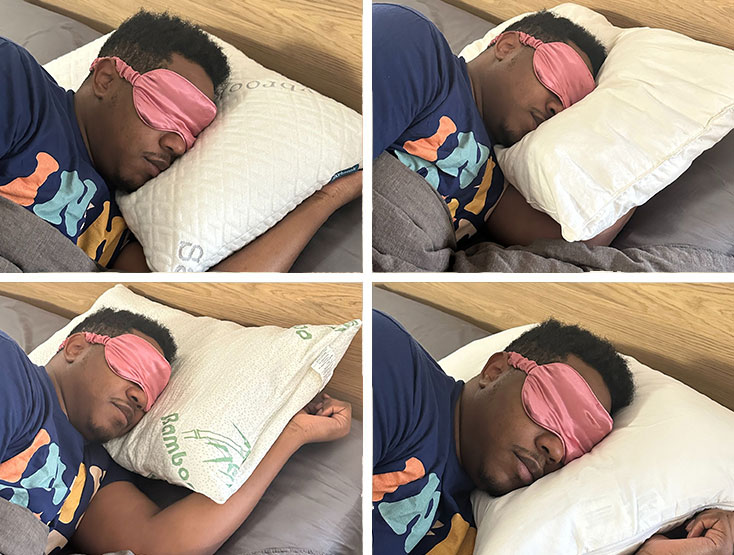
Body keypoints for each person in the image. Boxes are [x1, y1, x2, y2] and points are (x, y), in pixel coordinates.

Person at [0, 10, 361, 272]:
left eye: (194, 131)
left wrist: (328, 197)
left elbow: (212, 296)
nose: (178, 144)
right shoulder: (20, 85)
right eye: (168, 107)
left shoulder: (129, 226)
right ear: (106, 78)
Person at [373, 310, 734, 554]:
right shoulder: (397, 369)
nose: (557, 450)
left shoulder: (480, 524)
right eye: (554, 406)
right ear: (495, 370)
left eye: (579, 443)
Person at [0, 308, 351, 554]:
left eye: (152, 396)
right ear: (76, 347)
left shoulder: (95, 471)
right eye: (134, 368)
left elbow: (159, 545)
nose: (140, 396)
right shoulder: (13, 373)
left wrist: (292, 433)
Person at [372, 3, 632, 249]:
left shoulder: (496, 185)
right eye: (559, 78)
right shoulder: (420, 49)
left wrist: (639, 177)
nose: (558, 108)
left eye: (573, 106)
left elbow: (579, 241)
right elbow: (352, 154)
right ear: (507, 46)